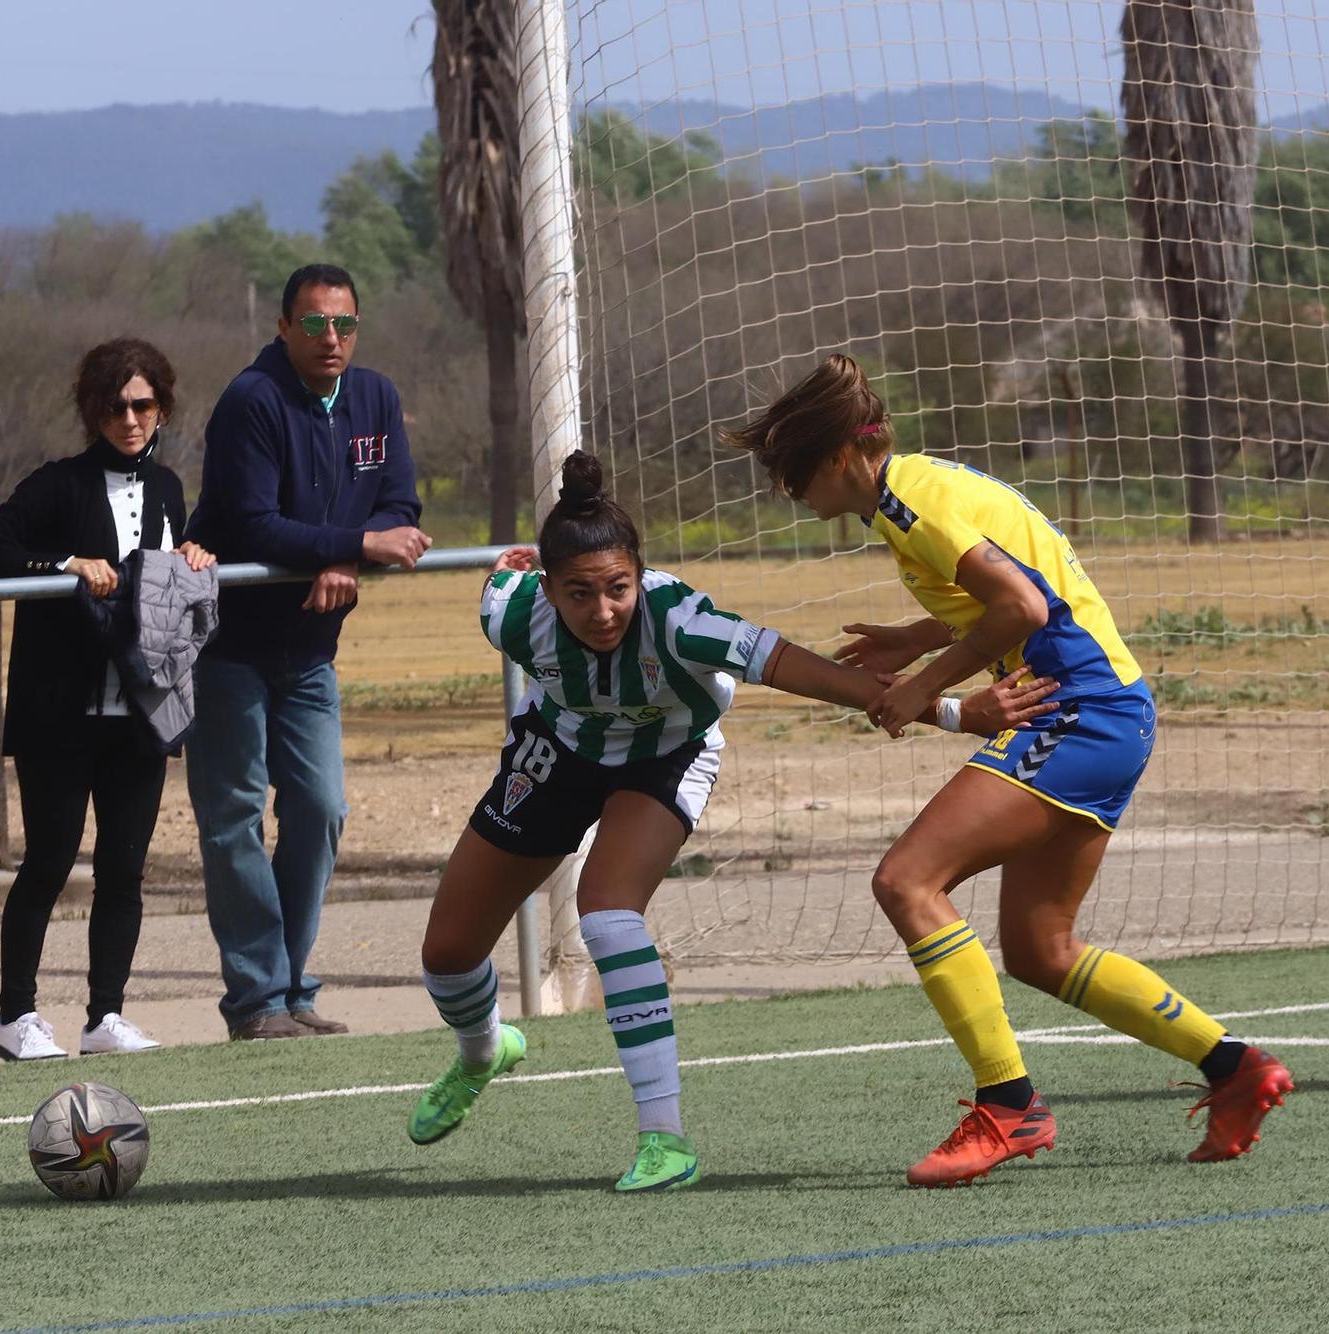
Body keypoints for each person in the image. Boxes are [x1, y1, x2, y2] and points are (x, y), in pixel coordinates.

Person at [405, 450, 1061, 1192]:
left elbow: (808, 672)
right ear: (550, 592)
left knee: (609, 917)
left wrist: (949, 710)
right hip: (558, 751)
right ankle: (482, 1052)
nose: (602, 611)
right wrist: (511, 570)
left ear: (640, 577)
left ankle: (665, 1141)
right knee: (449, 955)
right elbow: (502, 580)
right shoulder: (512, 615)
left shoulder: (684, 620)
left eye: (618, 588)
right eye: (579, 594)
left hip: (666, 756)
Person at [725, 353, 1294, 1187]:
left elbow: (1024, 609)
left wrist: (925, 683)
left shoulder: (911, 504)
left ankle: (1009, 1106)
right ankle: (1234, 1067)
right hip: (1110, 710)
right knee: (1040, 949)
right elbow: (1010, 589)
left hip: (1081, 710)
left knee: (907, 882)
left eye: (791, 473)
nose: (789, 492)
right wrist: (917, 639)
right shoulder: (913, 491)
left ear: (840, 456)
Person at [184, 263, 431, 1041]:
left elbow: (401, 506)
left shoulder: (375, 397)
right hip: (231, 648)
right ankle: (257, 999)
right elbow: (255, 525)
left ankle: (289, 989)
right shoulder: (249, 402)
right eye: (316, 323)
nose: (332, 339)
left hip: (311, 653)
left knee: (322, 810)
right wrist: (351, 542)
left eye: (345, 324)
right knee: (233, 820)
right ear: (284, 326)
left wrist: (343, 556)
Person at [0, 337, 216, 1061]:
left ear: (162, 406)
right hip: (59, 712)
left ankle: (106, 1016)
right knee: (49, 858)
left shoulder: (169, 487)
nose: (129, 418)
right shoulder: (58, 484)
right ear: (92, 412)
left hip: (140, 711)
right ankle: (16, 1017)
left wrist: (196, 552)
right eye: (114, 406)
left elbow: (172, 566)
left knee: (124, 867)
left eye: (141, 404)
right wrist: (65, 564)